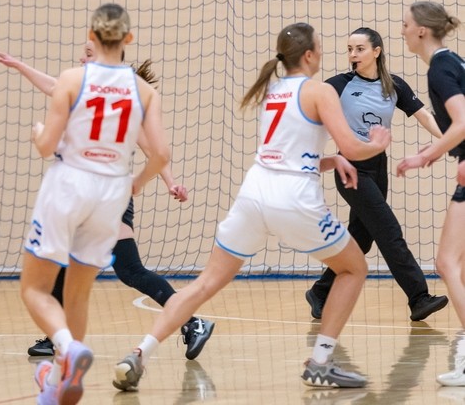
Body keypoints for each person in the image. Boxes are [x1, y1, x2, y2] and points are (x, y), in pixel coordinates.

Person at [113, 22, 392, 392]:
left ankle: (139, 354)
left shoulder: (272, 90)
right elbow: (354, 148)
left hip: (254, 193)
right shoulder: (320, 91)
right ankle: (320, 362)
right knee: (354, 268)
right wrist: (377, 144)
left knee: (205, 283)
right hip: (293, 198)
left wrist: (330, 160)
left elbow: (289, 151)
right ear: (309, 55)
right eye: (321, 49)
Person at [0, 45, 215, 361]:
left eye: (88, 53)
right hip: (94, 194)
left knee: (127, 269)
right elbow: (52, 86)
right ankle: (58, 337)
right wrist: (20, 65)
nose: (81, 58)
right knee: (78, 263)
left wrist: (169, 182)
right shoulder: (85, 87)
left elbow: (155, 150)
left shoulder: (124, 97)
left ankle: (190, 321)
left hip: (106, 195)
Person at [20, 3, 170, 404]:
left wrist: (37, 132)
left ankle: (68, 348)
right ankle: (59, 383)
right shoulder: (144, 91)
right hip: (112, 192)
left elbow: (47, 146)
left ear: (92, 35)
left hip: (70, 183)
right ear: (128, 38)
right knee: (78, 293)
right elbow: (161, 154)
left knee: (34, 289)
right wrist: (136, 183)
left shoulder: (73, 79)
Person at [305, 27, 447, 322]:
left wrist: (451, 137)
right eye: (349, 49)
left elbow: (425, 116)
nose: (353, 55)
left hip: (378, 169)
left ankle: (320, 291)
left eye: (359, 49)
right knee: (389, 231)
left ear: (376, 51)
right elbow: (308, 110)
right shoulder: (339, 85)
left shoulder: (394, 85)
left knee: (362, 238)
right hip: (350, 168)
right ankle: (419, 297)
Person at [395, 1, 465, 386]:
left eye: (406, 24)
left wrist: (425, 156)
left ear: (421, 29)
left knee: (446, 263)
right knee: (459, 267)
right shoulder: (452, 62)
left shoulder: (440, 66)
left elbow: (463, 121)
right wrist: (442, 152)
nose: (402, 31)